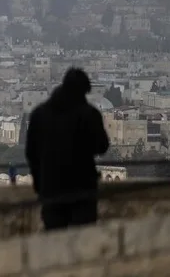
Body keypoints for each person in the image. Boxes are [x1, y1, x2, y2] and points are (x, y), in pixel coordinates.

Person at [26, 67, 110, 231]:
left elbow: (31, 153)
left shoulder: (39, 114)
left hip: (51, 189)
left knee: (55, 240)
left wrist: (39, 183)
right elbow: (102, 146)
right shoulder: (89, 114)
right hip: (82, 190)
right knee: (82, 241)